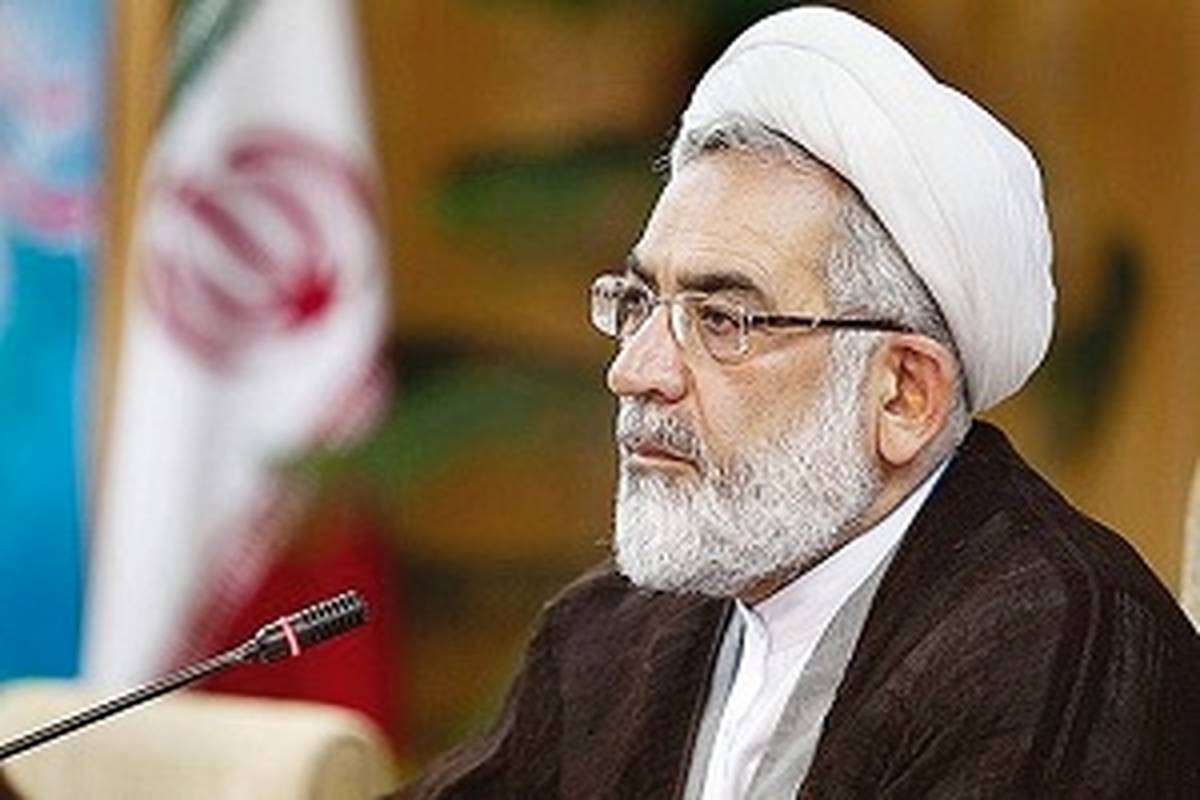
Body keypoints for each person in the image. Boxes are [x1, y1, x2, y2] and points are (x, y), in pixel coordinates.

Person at [399, 6, 1200, 798]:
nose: (635, 371)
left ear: (903, 394)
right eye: (639, 303)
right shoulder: (611, 634)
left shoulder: (1058, 649)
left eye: (723, 320)